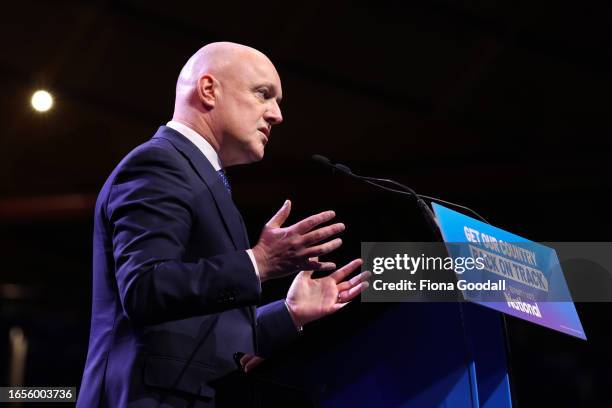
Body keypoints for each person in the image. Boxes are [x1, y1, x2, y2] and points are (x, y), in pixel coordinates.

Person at [77, 42, 370, 407]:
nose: (276, 115)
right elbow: (145, 287)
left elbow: (207, 337)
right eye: (263, 94)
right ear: (209, 90)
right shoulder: (159, 163)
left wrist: (290, 311)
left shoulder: (202, 176)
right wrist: (259, 263)